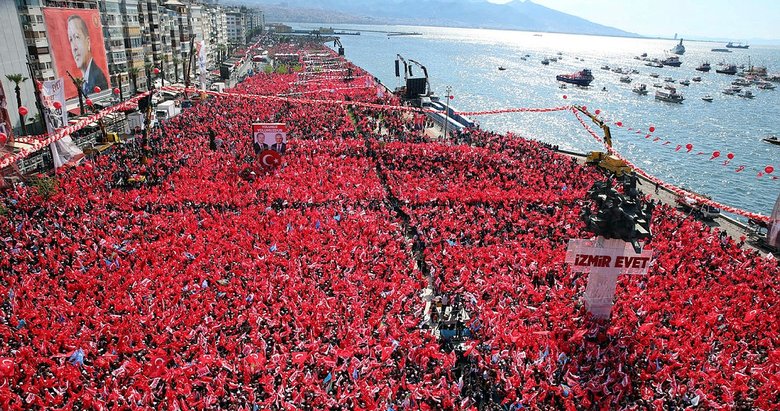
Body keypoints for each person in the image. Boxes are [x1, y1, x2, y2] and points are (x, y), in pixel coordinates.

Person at [68, 15, 108, 96]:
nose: (74, 47)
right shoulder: (85, 81)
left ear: (88, 43)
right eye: (71, 40)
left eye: (77, 37)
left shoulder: (98, 78)